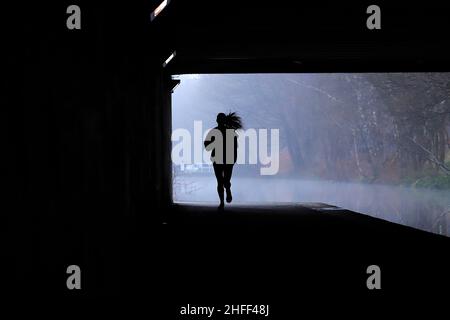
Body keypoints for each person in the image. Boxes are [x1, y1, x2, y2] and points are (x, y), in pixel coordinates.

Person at [204, 112, 243, 209]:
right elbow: (235, 147)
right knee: (224, 180)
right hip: (227, 159)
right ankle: (227, 191)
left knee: (220, 181)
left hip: (218, 159)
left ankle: (222, 201)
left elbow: (207, 146)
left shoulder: (214, 131)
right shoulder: (230, 131)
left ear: (217, 120)